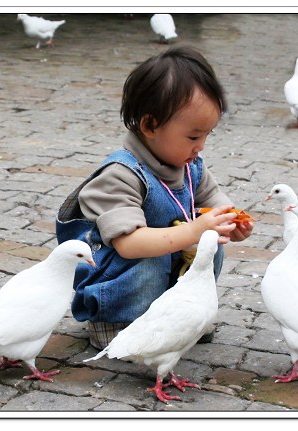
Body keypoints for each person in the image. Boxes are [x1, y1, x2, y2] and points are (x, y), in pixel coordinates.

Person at [55, 46, 253, 350]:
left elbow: (215, 201)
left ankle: (183, 318)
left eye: (206, 135)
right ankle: (120, 322)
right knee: (153, 254)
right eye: (193, 136)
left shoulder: (190, 166)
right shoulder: (120, 175)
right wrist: (193, 230)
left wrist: (229, 222)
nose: (200, 146)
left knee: (210, 245)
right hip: (124, 278)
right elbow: (129, 244)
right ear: (150, 126)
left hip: (169, 274)